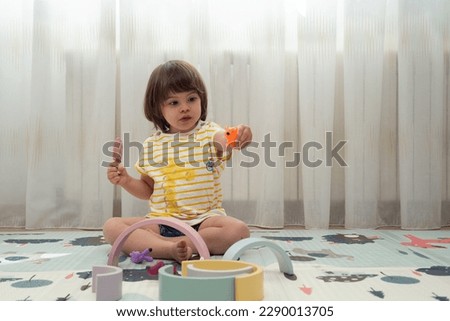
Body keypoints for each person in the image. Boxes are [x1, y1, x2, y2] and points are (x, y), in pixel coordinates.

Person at [103, 60, 252, 262]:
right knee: (112, 227)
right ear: (158, 109)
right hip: (162, 223)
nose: (185, 108)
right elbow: (148, 189)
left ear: (201, 100)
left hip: (205, 221)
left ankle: (173, 245)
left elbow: (224, 140)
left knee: (238, 231)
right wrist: (126, 180)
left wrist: (241, 136)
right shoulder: (152, 145)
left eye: (191, 99)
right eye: (174, 102)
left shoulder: (209, 133)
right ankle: (170, 248)